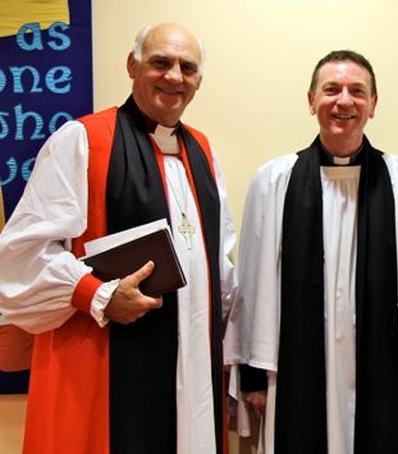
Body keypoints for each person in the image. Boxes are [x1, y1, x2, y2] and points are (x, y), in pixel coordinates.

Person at [0, 22, 236, 454]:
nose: (174, 77)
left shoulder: (202, 150)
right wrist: (96, 293)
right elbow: (19, 255)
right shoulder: (84, 140)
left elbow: (217, 262)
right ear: (132, 65)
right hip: (108, 366)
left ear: (198, 80)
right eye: (160, 62)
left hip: (194, 368)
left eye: (187, 67)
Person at [224, 50, 398, 454]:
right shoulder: (274, 181)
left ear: (374, 105)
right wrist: (253, 378)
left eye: (357, 91)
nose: (344, 101)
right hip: (289, 371)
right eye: (331, 90)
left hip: (386, 368)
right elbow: (252, 287)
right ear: (311, 101)